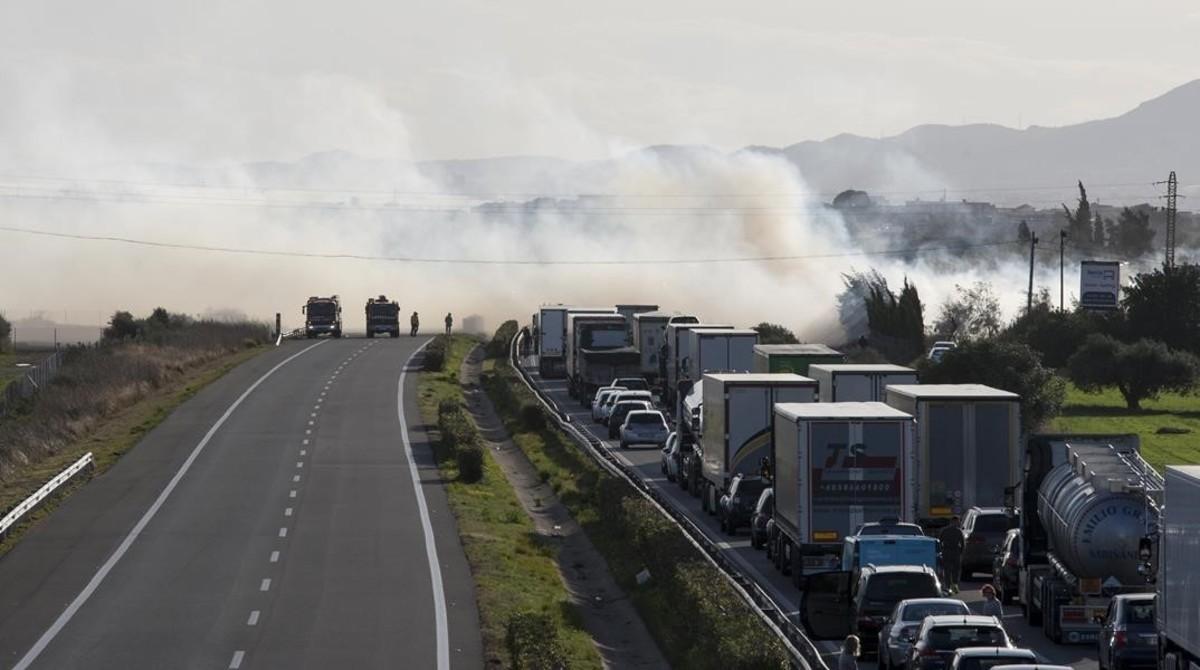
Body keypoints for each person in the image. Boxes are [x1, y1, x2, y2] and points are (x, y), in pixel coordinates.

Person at [939, 516, 965, 594]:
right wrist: (961, 552)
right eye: (958, 521)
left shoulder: (944, 530)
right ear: (954, 522)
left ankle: (948, 586)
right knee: (955, 570)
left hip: (947, 552)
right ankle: (954, 586)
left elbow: (940, 541)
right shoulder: (958, 531)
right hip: (955, 552)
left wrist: (942, 550)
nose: (958, 523)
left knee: (947, 570)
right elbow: (963, 543)